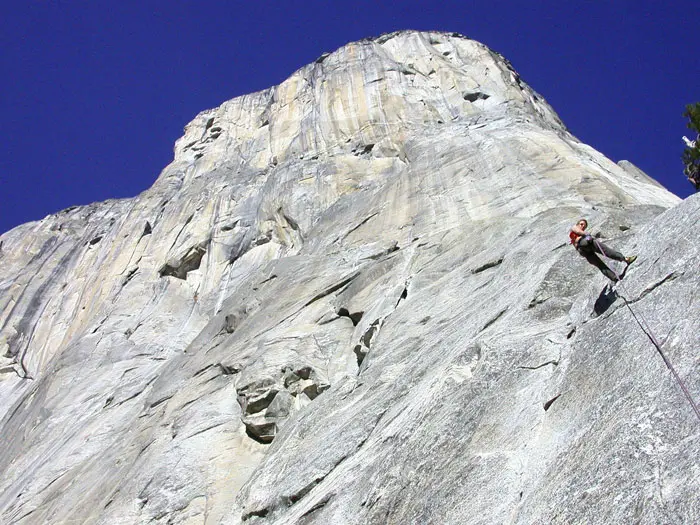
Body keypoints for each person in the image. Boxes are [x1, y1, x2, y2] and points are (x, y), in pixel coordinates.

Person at [569, 219, 637, 282]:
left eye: (584, 226)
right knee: (606, 251)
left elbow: (576, 245)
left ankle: (613, 277)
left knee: (600, 264)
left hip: (583, 250)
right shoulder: (574, 227)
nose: (583, 226)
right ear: (577, 224)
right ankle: (625, 259)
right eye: (581, 224)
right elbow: (578, 231)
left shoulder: (573, 236)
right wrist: (587, 235)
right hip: (584, 243)